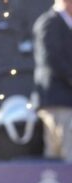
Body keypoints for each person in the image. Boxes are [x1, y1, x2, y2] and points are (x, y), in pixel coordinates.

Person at [32, 0, 72, 162]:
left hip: (64, 101)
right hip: (59, 102)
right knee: (64, 158)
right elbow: (52, 60)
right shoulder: (50, 22)